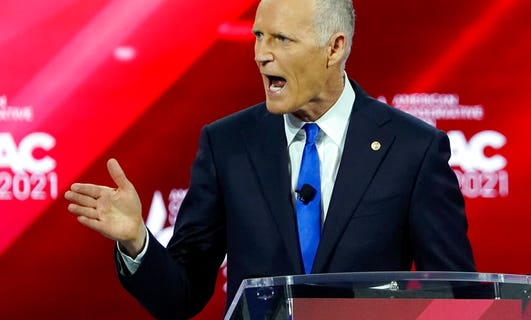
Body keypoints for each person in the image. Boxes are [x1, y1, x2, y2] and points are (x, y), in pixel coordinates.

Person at [65, 0, 475, 318]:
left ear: (333, 49)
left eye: (281, 39)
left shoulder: (412, 148)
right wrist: (137, 241)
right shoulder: (227, 144)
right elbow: (181, 297)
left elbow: (457, 296)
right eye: (258, 36)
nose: (261, 54)